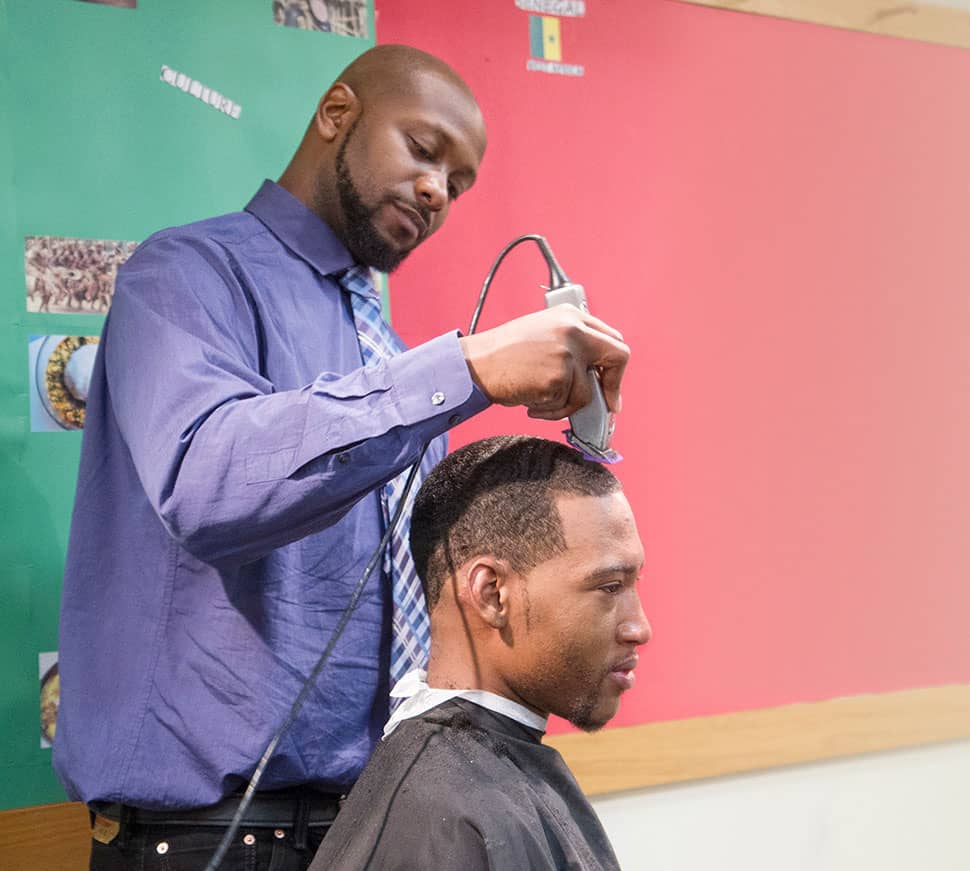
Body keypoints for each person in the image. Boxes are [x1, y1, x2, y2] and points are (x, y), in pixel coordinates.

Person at [54, 44, 629, 870]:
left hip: (374, 826)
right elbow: (208, 482)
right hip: (206, 840)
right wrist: (464, 370)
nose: (437, 191)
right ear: (337, 115)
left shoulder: (397, 363)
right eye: (424, 151)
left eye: (458, 185)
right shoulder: (186, 277)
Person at [308, 435, 650, 870]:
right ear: (492, 594)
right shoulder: (441, 815)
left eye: (635, 583)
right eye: (609, 587)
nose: (640, 627)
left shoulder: (473, 777)